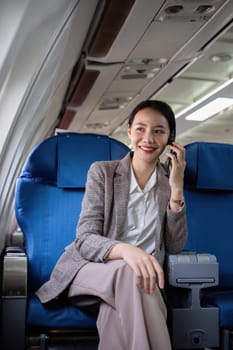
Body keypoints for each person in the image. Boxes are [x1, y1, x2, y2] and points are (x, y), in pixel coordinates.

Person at [36, 99, 187, 350]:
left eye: (159, 131)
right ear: (129, 132)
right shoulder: (103, 172)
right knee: (131, 272)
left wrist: (177, 188)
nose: (148, 138)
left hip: (137, 285)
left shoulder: (168, 183)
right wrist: (128, 251)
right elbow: (85, 239)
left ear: (171, 138)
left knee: (118, 310)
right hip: (91, 271)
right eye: (140, 128)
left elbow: (175, 244)